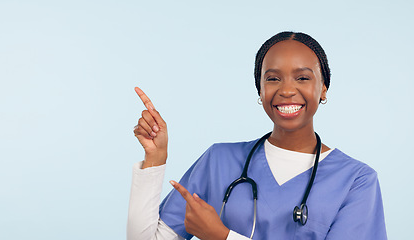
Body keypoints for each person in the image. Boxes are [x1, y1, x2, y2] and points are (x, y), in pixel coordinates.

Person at [127, 31, 387, 240]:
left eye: (302, 78)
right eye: (273, 78)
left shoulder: (356, 181)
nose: (286, 90)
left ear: (323, 89)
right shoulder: (219, 161)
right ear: (260, 90)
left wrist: (222, 237)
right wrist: (155, 158)